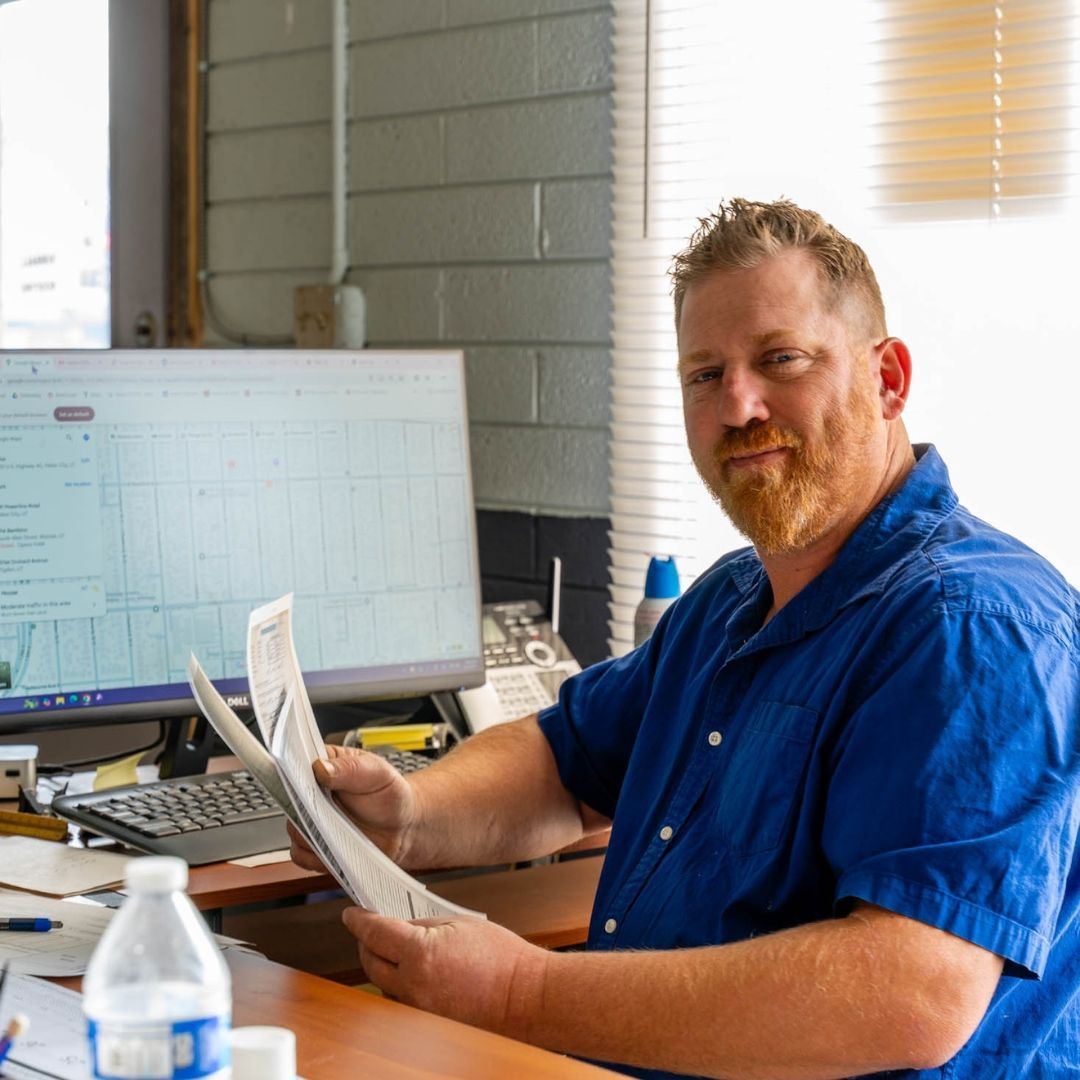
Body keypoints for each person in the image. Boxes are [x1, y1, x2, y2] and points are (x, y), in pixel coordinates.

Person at [291, 199, 1080, 1079]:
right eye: (705, 375)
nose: (739, 405)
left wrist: (519, 995)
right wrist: (413, 819)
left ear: (888, 378)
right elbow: (565, 759)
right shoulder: (732, 599)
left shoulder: (973, 630)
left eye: (781, 359)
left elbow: (908, 995)